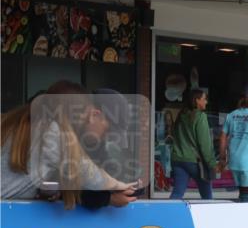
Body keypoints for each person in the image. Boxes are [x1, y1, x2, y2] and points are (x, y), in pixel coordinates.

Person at [1, 82, 137, 208]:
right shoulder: (53, 133)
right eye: (84, 113)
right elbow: (89, 174)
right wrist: (120, 186)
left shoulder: (20, 123)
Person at [170, 88, 217, 200]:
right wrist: (211, 164)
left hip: (178, 159)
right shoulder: (200, 117)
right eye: (204, 99)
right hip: (195, 162)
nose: (206, 102)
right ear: (197, 100)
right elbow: (204, 144)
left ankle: (168, 215)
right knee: (207, 196)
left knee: (177, 194)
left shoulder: (181, 115)